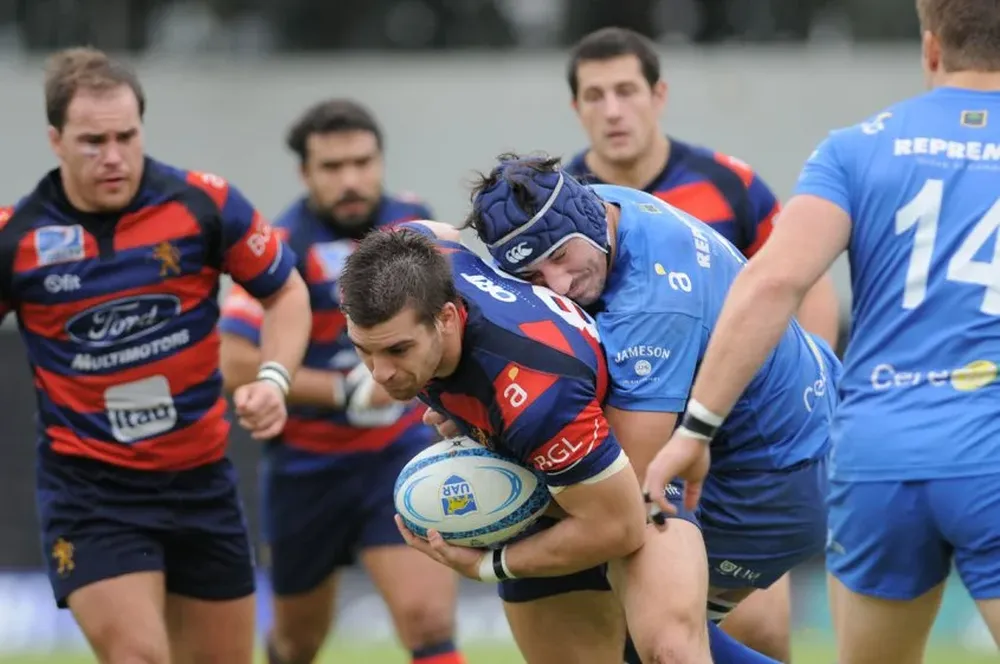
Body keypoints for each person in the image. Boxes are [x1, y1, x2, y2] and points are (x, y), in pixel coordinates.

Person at [641, 1, 1000, 662]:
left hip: (879, 452)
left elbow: (773, 283)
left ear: (930, 47)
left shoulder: (857, 147)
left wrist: (696, 430)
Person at [340, 223, 785, 664]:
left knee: (672, 654)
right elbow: (435, 231)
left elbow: (621, 525)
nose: (380, 373)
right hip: (538, 463)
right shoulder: (419, 259)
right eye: (364, 350)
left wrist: (488, 566)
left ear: (447, 319)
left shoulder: (533, 396)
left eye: (398, 350)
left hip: (625, 474)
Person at [0, 47, 311, 664]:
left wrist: (275, 380)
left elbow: (287, 293)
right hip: (90, 493)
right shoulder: (18, 237)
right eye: (93, 141)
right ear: (56, 140)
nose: (113, 156)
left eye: (126, 136)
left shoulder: (204, 204)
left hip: (202, 481)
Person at [465, 154, 838, 663]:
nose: (558, 284)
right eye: (533, 273)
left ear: (587, 218)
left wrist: (494, 495)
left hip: (774, 475)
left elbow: (626, 488)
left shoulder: (652, 304)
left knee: (658, 641)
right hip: (763, 436)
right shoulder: (605, 208)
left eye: (561, 255)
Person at [563, 32, 839, 656]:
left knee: (760, 628)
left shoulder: (728, 183)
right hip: (633, 446)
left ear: (658, 95)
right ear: (576, 108)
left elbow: (804, 286)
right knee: (648, 631)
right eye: (596, 96)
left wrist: (801, 401)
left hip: (746, 448)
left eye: (627, 91)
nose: (613, 110)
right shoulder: (561, 205)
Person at [218, 99, 466, 664]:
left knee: (429, 623)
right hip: (305, 470)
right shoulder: (278, 244)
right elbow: (234, 361)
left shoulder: (413, 225)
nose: (351, 179)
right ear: (305, 174)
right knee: (297, 643)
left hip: (397, 458)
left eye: (362, 162)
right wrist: (344, 392)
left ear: (381, 161)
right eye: (332, 167)